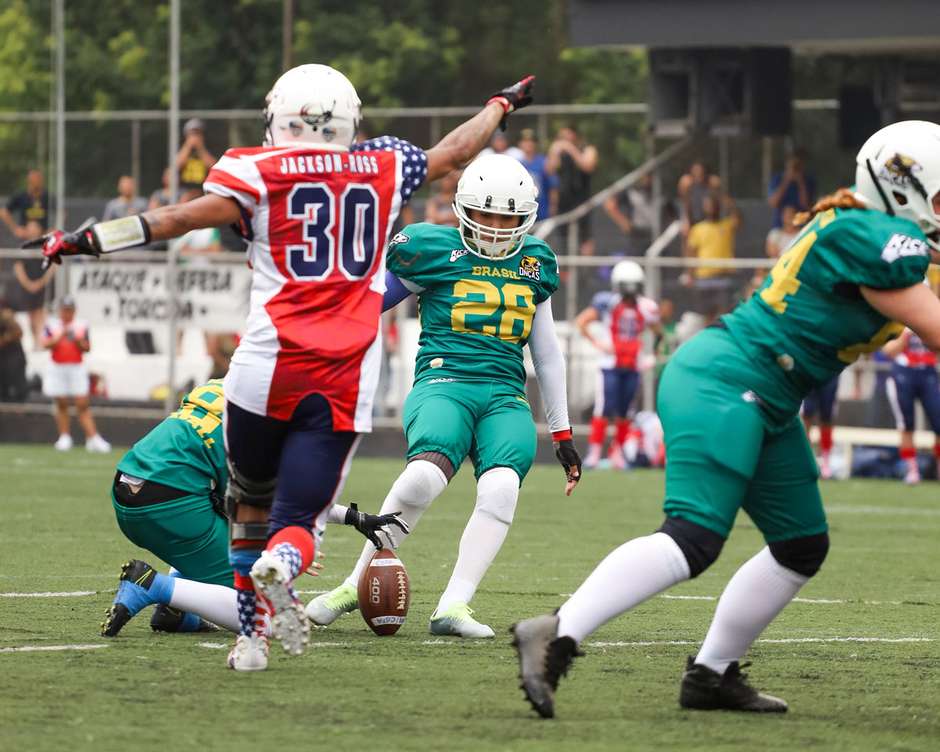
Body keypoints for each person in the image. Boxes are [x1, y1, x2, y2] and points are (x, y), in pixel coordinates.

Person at [32, 64, 536, 671]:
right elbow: (457, 149)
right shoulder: (378, 165)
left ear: (279, 117)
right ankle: (286, 565)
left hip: (263, 363)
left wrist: (86, 240)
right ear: (350, 118)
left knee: (247, 508)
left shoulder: (255, 168)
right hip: (341, 369)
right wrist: (500, 105)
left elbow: (175, 219)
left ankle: (250, 641)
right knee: (297, 521)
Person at [510, 120, 940, 718]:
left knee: (800, 544)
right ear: (903, 186)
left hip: (766, 393)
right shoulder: (871, 235)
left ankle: (711, 675)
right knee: (693, 537)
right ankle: (556, 632)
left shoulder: (871, 231)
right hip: (727, 380)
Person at [308, 154, 581, 638]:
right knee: (421, 480)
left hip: (505, 395)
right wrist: (321, 341)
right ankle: (354, 584)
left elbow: (548, 353)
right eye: (487, 215)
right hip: (444, 382)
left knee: (501, 489)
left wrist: (562, 431)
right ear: (463, 210)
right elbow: (368, 305)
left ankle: (454, 605)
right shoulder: (432, 248)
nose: (497, 229)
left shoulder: (536, 261)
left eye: (509, 219)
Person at [101, 379, 407, 638]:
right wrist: (282, 546)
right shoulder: (272, 419)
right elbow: (277, 499)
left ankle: (177, 612)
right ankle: (154, 586)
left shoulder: (224, 384)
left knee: (220, 517)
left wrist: (352, 516)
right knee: (269, 617)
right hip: (172, 505)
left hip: (127, 489)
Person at [575, 260, 659, 470]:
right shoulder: (607, 302)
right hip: (609, 365)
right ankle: (594, 454)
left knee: (624, 413)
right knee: (603, 410)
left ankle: (619, 454)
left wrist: (651, 356)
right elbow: (582, 321)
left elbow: (659, 333)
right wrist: (599, 343)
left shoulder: (646, 307)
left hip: (631, 365)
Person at [41, 296, 111, 453]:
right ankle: (64, 436)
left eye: (70, 310)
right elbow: (45, 344)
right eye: (65, 310)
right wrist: (60, 336)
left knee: (82, 403)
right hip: (57, 367)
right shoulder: (52, 325)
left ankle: (93, 438)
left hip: (76, 367)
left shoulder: (81, 325)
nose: (67, 314)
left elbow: (87, 347)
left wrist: (77, 340)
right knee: (61, 402)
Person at [883, 328, 940, 484]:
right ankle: (912, 470)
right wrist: (907, 332)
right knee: (906, 424)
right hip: (904, 372)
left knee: (938, 422)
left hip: (928, 371)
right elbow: (889, 351)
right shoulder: (899, 318)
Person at [683, 193, 741, 313]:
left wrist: (730, 204)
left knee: (724, 315)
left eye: (713, 204)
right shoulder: (698, 228)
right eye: (708, 205)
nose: (711, 207)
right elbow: (691, 253)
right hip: (704, 279)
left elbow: (738, 220)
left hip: (724, 278)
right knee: (706, 315)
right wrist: (689, 274)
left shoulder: (726, 225)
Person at [547, 126, 598, 255]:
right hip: (564, 201)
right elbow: (549, 170)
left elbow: (587, 165)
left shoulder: (587, 149)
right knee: (562, 238)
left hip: (582, 200)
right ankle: (564, 271)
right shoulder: (560, 153)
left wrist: (570, 148)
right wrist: (554, 151)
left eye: (567, 136)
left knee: (585, 237)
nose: (564, 140)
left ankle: (586, 272)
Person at [8, 220, 54, 346]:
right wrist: (28, 284)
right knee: (31, 313)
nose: (33, 230)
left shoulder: (47, 244)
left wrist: (42, 282)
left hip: (42, 283)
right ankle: (35, 340)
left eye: (35, 227)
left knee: (40, 312)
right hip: (27, 285)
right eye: (30, 227)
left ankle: (40, 340)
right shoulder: (22, 245)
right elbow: (18, 267)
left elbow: (53, 265)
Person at [603, 172, 658, 254]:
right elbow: (609, 204)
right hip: (636, 237)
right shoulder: (631, 191)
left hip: (657, 236)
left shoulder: (658, 191)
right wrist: (623, 223)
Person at [801, 376, 840, 480]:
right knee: (807, 414)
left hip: (829, 372)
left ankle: (826, 463)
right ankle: (805, 459)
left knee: (827, 417)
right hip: (810, 371)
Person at [768, 147, 816, 229]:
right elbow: (773, 203)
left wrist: (800, 182)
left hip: (801, 226)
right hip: (780, 226)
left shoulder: (809, 181)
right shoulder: (778, 179)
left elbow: (806, 205)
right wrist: (786, 180)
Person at [516, 128, 556, 221]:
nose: (528, 144)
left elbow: (553, 187)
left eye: (531, 141)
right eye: (525, 141)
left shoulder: (544, 162)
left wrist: (553, 207)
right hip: (523, 213)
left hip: (542, 212)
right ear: (520, 144)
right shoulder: (517, 164)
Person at [677, 159, 721, 236]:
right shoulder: (687, 184)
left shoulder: (711, 183)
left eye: (700, 171)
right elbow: (685, 203)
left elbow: (718, 202)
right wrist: (686, 220)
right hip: (693, 220)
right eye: (695, 171)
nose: (698, 173)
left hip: (708, 221)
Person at [1, 169, 48, 240]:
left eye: (39, 179)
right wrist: (15, 229)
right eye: (34, 179)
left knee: (34, 228)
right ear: (29, 181)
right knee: (32, 227)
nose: (37, 182)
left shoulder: (47, 197)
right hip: (25, 236)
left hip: (42, 236)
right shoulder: (21, 196)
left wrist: (52, 229)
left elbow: (61, 211)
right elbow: (4, 212)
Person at [175, 118, 216, 196]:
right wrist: (188, 146)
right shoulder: (181, 149)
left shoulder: (208, 149)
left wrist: (200, 148)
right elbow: (176, 167)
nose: (195, 136)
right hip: (183, 193)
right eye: (192, 133)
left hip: (204, 191)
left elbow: (213, 167)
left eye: (197, 133)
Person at [0, 298, 28, 401]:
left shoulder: (6, 316)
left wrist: (5, 338)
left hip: (14, 358)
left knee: (19, 390)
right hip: (3, 359)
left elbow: (18, 333)